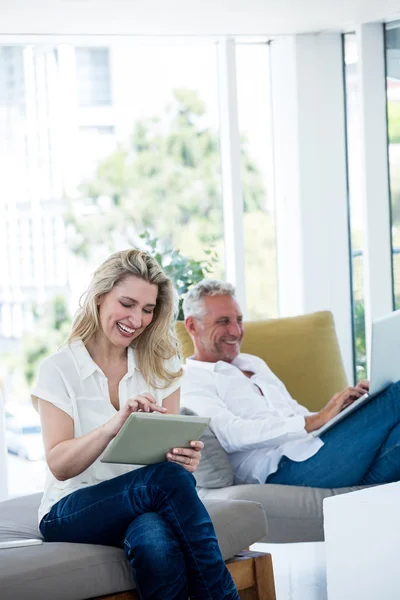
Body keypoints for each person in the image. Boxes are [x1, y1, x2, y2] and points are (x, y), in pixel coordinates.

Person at [32, 251, 239, 600]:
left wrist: (184, 459)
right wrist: (113, 426)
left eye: (147, 309)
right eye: (127, 303)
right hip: (69, 509)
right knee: (168, 483)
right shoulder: (59, 369)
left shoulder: (161, 363)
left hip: (146, 503)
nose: (137, 319)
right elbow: (59, 464)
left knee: (155, 543)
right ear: (100, 298)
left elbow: (168, 465)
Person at [181, 279, 400, 489]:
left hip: (314, 447)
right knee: (396, 393)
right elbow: (231, 435)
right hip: (282, 469)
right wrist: (318, 418)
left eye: (239, 320)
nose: (236, 331)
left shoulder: (253, 363)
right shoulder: (190, 379)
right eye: (223, 322)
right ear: (192, 325)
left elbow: (295, 412)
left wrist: (343, 410)